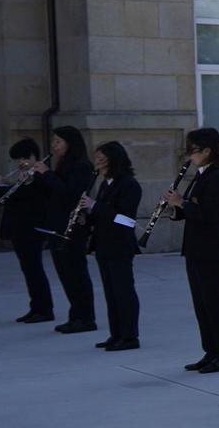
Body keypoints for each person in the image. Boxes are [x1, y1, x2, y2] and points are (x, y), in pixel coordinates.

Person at [168, 128, 219, 373]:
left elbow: (211, 215)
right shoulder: (200, 174)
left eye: (192, 150)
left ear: (207, 151)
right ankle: (211, 351)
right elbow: (191, 211)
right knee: (202, 304)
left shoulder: (218, 177)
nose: (188, 155)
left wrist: (181, 203)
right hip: (196, 248)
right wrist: (175, 209)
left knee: (215, 304)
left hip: (213, 250)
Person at [40, 125, 97, 335]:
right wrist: (36, 178)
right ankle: (76, 315)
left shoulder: (81, 166)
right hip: (58, 225)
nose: (54, 146)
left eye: (58, 142)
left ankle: (86, 317)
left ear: (69, 143)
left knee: (76, 272)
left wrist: (47, 174)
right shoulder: (63, 165)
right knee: (65, 272)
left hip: (73, 226)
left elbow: (70, 193)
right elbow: (52, 193)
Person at [87, 140, 143, 351]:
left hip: (120, 245)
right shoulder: (104, 184)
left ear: (113, 160)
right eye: (97, 159)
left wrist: (96, 206)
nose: (98, 164)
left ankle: (130, 336)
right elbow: (101, 214)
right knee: (110, 292)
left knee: (123, 291)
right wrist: (86, 217)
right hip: (103, 244)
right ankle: (116, 333)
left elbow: (126, 219)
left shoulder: (129, 185)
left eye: (102, 159)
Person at [0, 139, 55, 323]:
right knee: (28, 269)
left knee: (34, 268)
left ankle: (44, 309)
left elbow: (36, 199)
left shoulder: (41, 175)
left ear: (33, 156)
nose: (21, 162)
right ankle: (36, 307)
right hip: (20, 228)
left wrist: (6, 189)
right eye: (17, 159)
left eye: (24, 158)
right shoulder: (25, 176)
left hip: (32, 229)